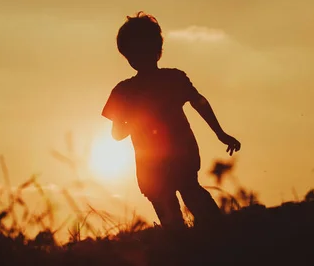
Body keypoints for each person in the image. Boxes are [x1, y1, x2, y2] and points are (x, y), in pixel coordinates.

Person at [102, 12, 241, 229]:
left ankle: (202, 244)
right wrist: (220, 133)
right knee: (191, 200)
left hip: (161, 164)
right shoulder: (169, 79)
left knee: (179, 212)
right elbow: (199, 103)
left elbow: (117, 134)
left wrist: (220, 133)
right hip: (169, 160)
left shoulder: (127, 91)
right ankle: (216, 241)